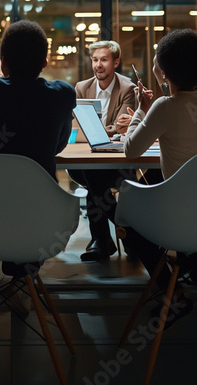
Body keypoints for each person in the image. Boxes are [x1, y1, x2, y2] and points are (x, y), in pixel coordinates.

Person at [0, 20, 76, 291]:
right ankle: (21, 280)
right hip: (42, 221)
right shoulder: (63, 94)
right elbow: (58, 145)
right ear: (44, 62)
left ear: (3, 63)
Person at [120, 29, 197, 298]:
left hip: (177, 215)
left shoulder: (164, 106)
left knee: (127, 219)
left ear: (163, 72)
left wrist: (141, 109)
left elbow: (131, 151)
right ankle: (191, 265)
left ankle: (174, 292)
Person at [68, 40, 138, 262]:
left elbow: (124, 127)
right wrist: (111, 129)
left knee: (93, 179)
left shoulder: (128, 88)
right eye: (95, 60)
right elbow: (78, 125)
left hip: (118, 164)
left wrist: (106, 130)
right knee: (91, 173)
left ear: (116, 62)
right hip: (87, 161)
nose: (98, 65)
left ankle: (102, 241)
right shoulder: (81, 87)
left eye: (104, 60)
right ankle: (131, 237)